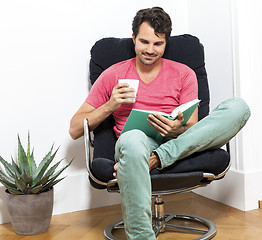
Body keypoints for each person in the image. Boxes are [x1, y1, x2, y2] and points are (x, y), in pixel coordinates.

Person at [69, 6, 250, 240]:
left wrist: (178, 129)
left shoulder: (184, 73)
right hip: (136, 144)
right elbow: (74, 128)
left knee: (239, 107)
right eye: (144, 42)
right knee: (132, 138)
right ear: (133, 38)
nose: (150, 50)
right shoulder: (113, 75)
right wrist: (110, 105)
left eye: (158, 44)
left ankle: (159, 157)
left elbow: (194, 129)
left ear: (166, 42)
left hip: (178, 144)